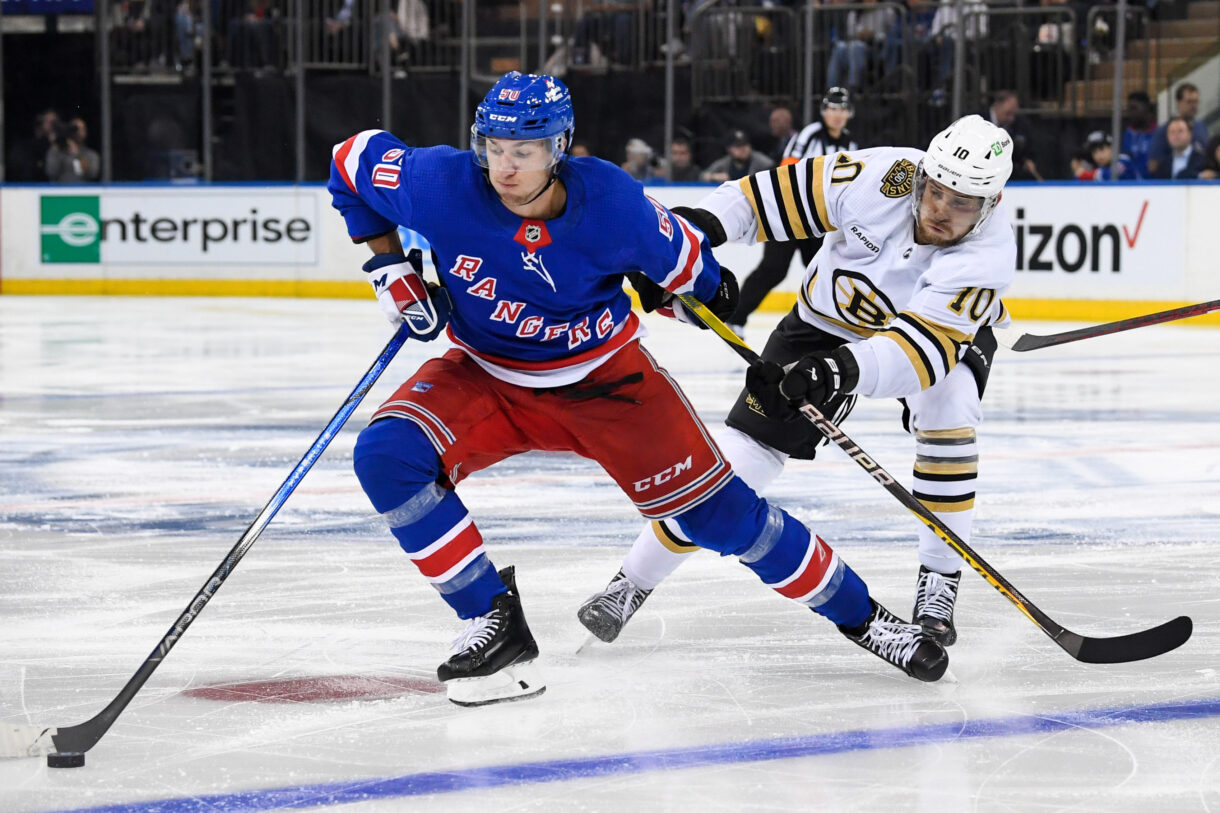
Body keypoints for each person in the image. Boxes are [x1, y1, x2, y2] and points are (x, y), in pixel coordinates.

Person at [327, 72, 950, 707]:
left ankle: (868, 620)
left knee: (724, 518)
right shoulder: (440, 183)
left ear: (560, 147)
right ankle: (491, 619)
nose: (503, 167)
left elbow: (706, 283)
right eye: (491, 146)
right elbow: (349, 163)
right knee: (386, 456)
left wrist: (681, 295)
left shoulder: (614, 204)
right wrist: (389, 268)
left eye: (524, 150)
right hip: (487, 374)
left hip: (606, 385)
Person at [579, 114, 1017, 655]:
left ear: (990, 205)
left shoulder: (988, 255)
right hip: (822, 327)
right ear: (923, 174)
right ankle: (631, 583)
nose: (940, 210)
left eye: (962, 203)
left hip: (931, 336)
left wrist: (837, 372)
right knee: (738, 467)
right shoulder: (879, 176)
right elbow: (761, 200)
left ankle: (940, 582)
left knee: (951, 411)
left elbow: (917, 355)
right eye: (936, 191)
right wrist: (683, 238)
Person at [728, 88, 859, 332]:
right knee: (774, 268)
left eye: (841, 109)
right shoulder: (811, 134)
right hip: (789, 212)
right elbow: (788, 166)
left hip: (819, 221)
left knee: (823, 271)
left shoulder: (850, 142)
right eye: (832, 109)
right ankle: (735, 318)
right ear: (823, 111)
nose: (836, 115)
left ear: (849, 113)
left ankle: (825, 328)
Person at [1147, 83, 1209, 177]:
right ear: (1178, 102)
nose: (1193, 106)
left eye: (1196, 102)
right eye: (1189, 102)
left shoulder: (1201, 127)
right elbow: (1153, 164)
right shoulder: (1164, 130)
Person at [701, 129, 774, 182]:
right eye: (738, 146)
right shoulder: (726, 162)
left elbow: (775, 173)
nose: (743, 149)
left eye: (745, 145)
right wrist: (714, 176)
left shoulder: (761, 162)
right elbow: (702, 176)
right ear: (728, 149)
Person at [45, 118, 102, 183]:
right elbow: (51, 172)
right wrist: (55, 147)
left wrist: (77, 154)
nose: (78, 132)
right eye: (75, 129)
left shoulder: (91, 154)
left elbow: (92, 174)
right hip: (60, 190)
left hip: (82, 190)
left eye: (81, 129)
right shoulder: (57, 151)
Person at [1121, 91, 1157, 180]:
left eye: (1134, 108)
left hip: (1155, 186)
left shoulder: (1159, 134)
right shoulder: (1127, 134)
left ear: (1146, 108)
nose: (1130, 113)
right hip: (1131, 186)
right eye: (1128, 109)